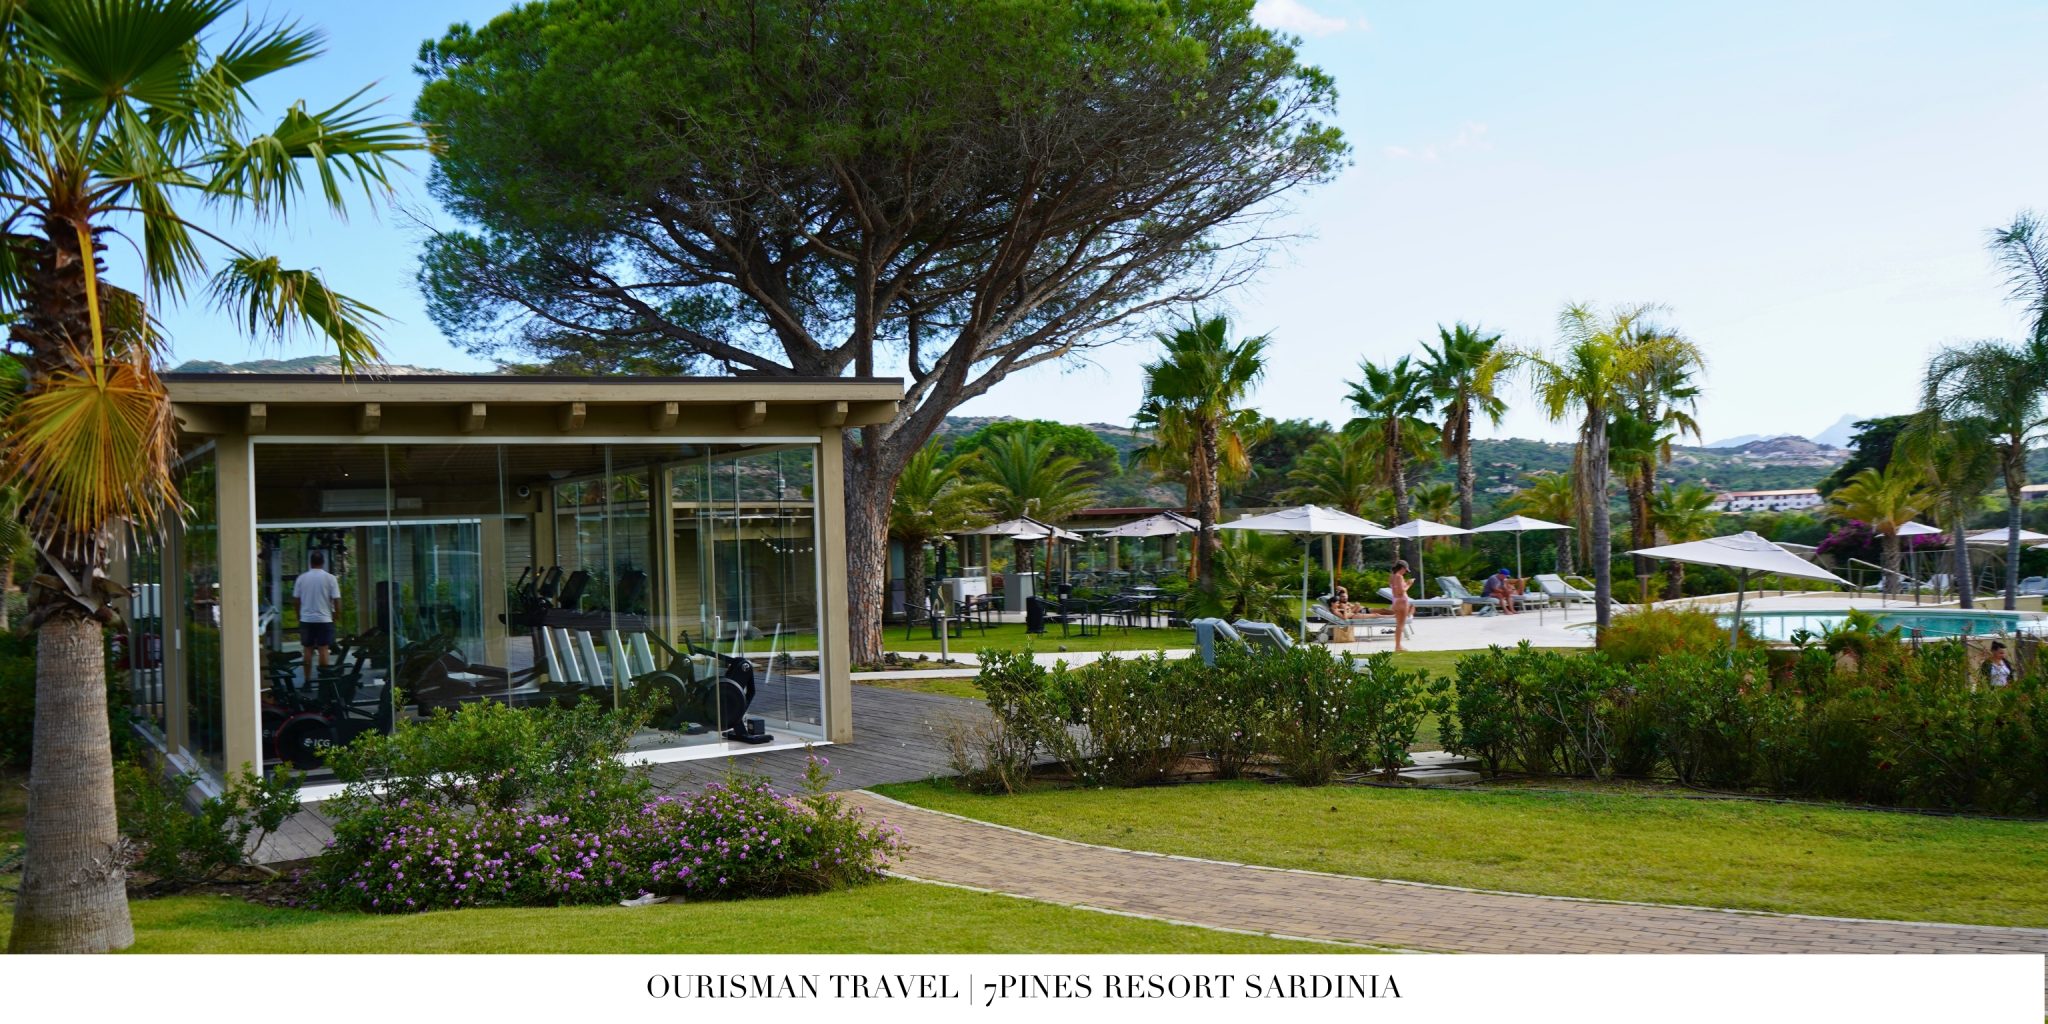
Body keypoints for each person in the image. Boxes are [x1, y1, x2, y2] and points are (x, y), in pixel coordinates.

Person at [293, 550, 343, 686]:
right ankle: (323, 681)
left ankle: (307, 680)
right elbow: (337, 600)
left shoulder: (302, 578)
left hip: (306, 619)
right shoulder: (330, 578)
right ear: (323, 562)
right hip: (324, 619)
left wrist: (299, 615)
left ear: (310, 563)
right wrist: (336, 615)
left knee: (307, 649)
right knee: (323, 649)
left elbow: (296, 600)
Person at [1388, 559, 1413, 653]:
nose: (1405, 572)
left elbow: (1395, 590)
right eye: (1405, 570)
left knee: (1399, 624)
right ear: (1402, 568)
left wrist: (1405, 584)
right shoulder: (1399, 577)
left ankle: (1398, 645)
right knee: (1401, 625)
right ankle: (1398, 646)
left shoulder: (1391, 577)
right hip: (1402, 601)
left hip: (1395, 601)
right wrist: (1409, 584)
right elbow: (1401, 591)